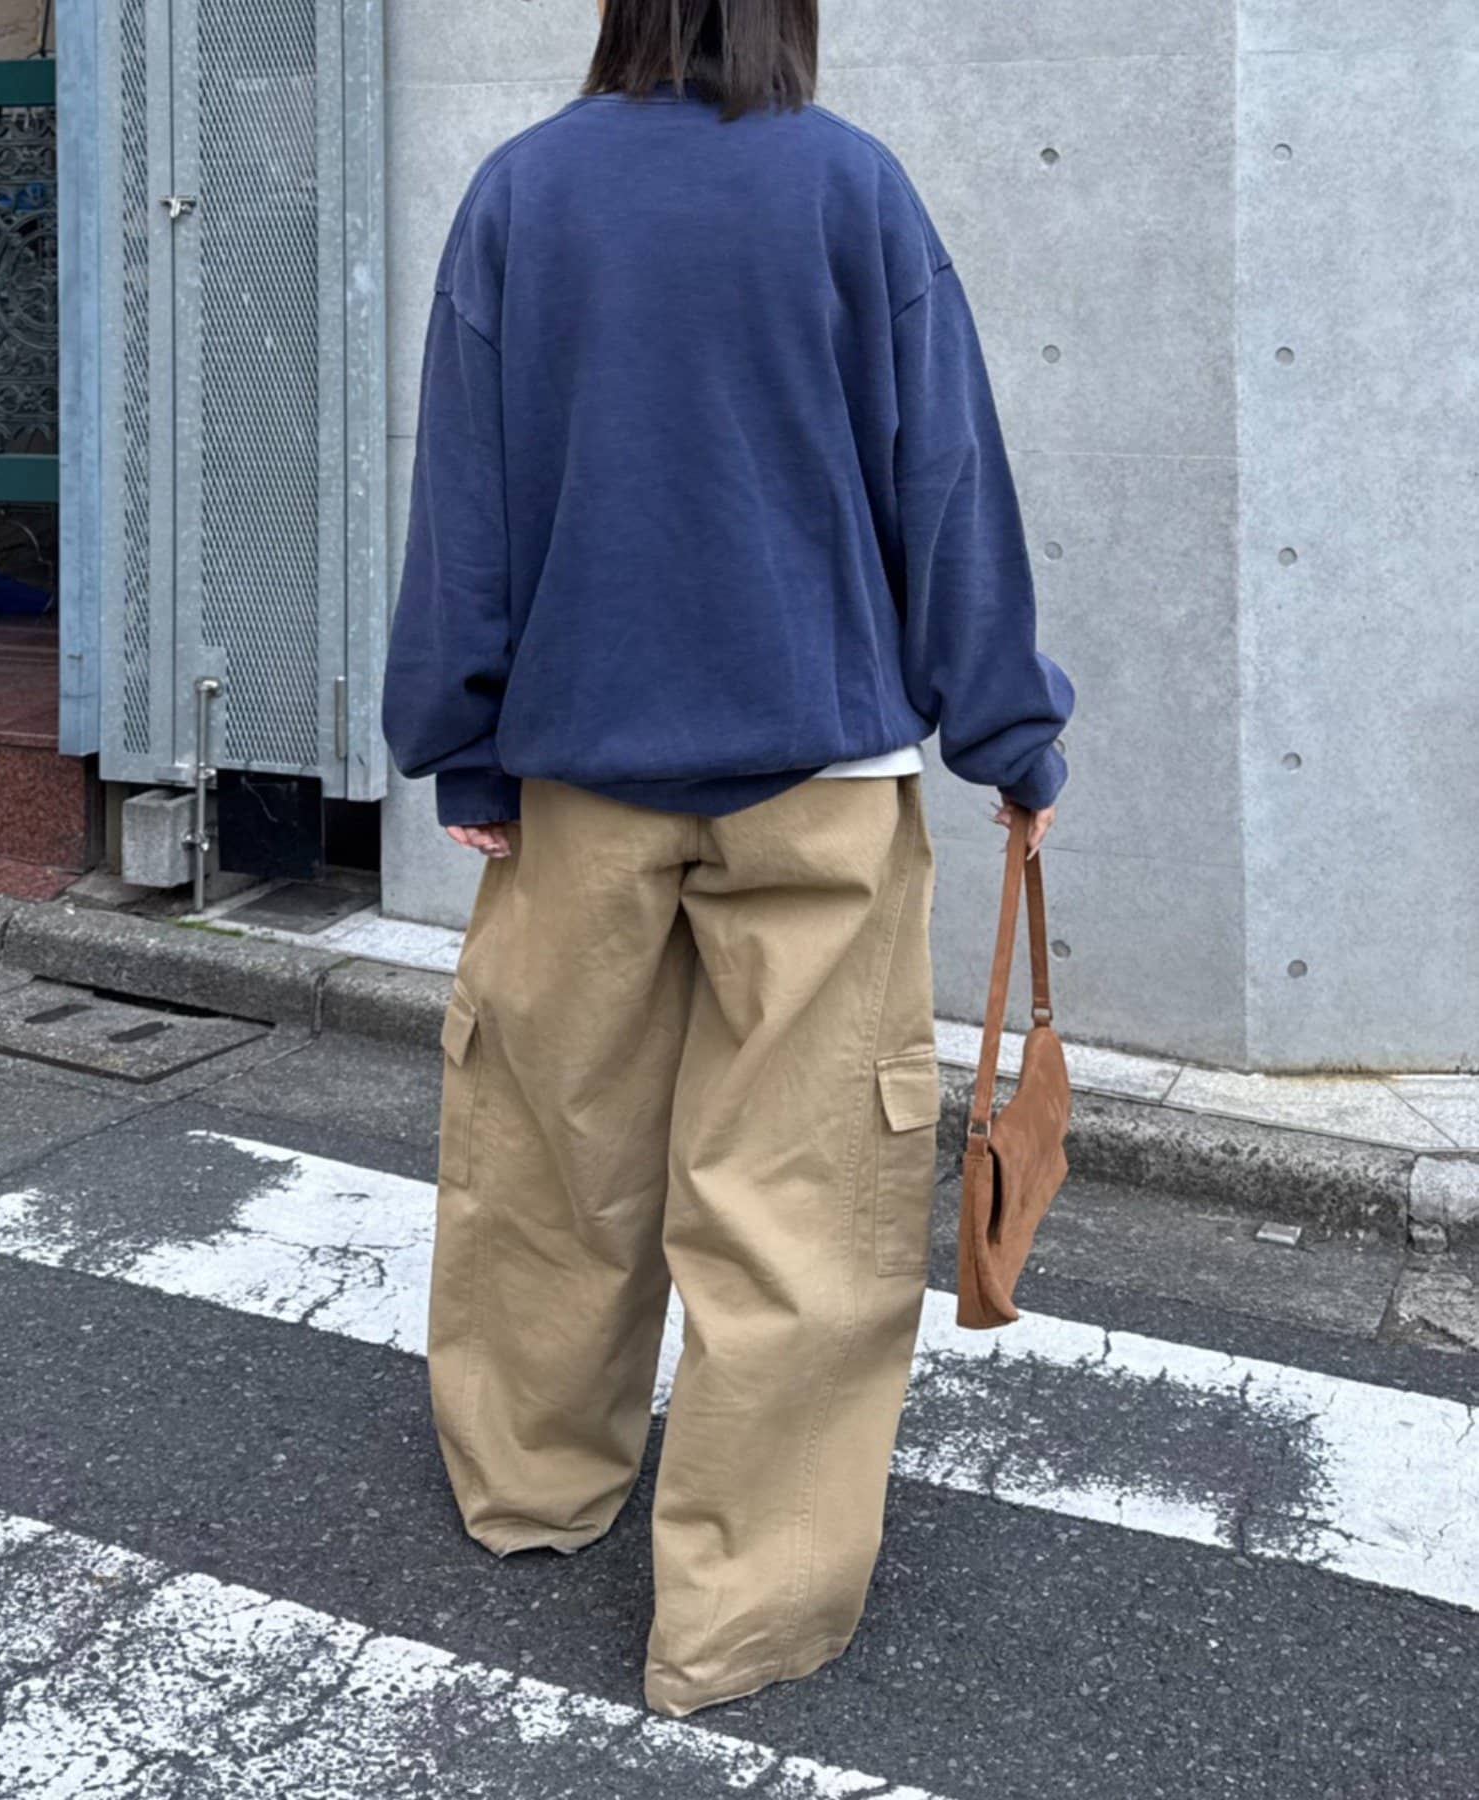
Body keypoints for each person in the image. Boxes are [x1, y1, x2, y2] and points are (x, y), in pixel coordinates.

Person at [380, 0, 1075, 1721]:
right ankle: (739, 1616)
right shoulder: (851, 187)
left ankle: (532, 1483)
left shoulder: (526, 190)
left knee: (553, 1148)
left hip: (579, 775)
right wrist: (1007, 731)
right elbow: (946, 477)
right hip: (818, 780)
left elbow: (467, 491)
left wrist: (462, 735)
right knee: (802, 1199)